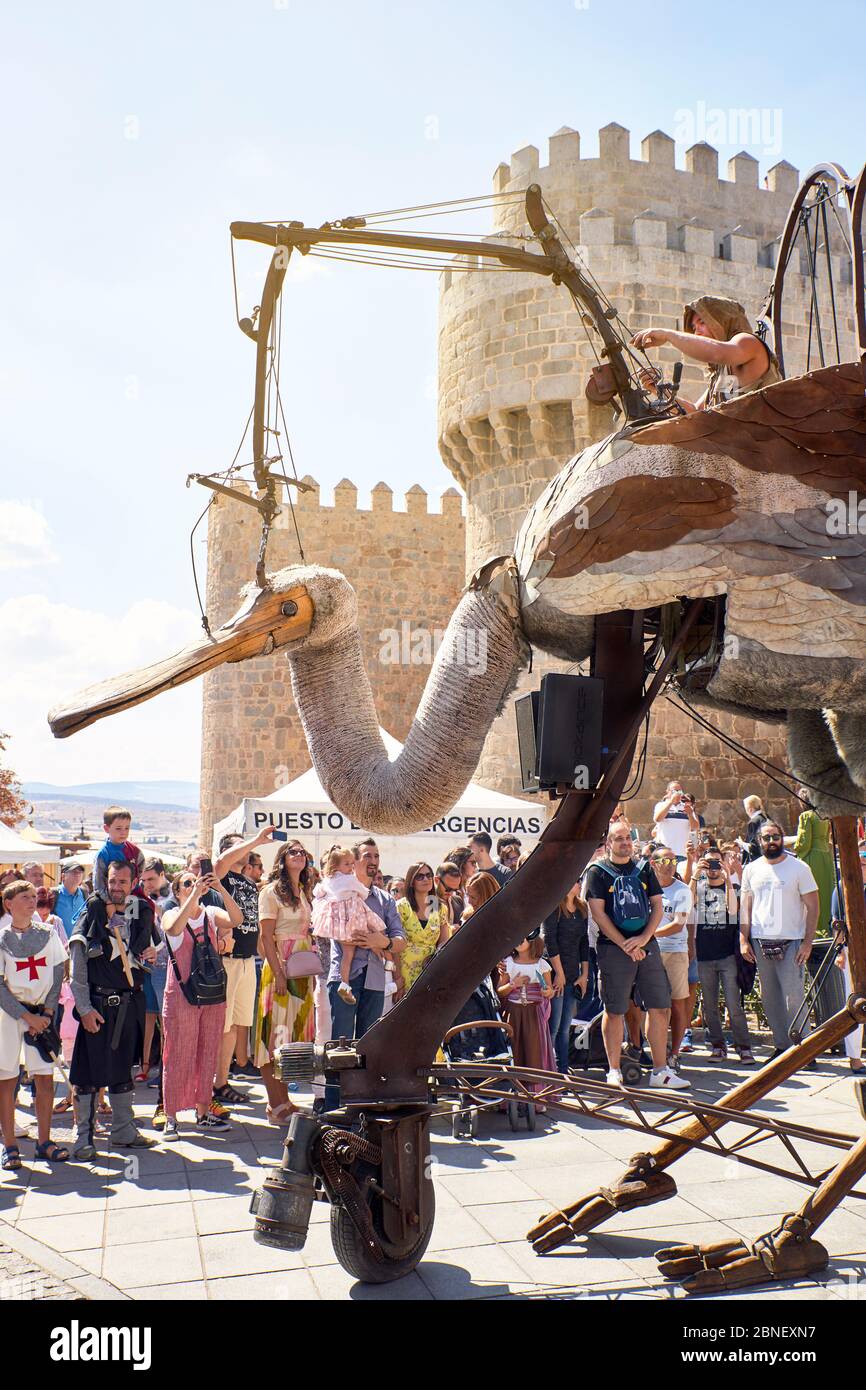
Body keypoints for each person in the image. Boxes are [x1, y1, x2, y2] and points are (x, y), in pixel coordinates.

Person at [584, 822, 689, 1090]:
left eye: (628, 839)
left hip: (647, 945)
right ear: (609, 843)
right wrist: (624, 944)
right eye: (618, 839)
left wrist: (643, 939)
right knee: (615, 1009)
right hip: (612, 947)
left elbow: (656, 905)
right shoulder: (597, 872)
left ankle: (660, 1071)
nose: (625, 843)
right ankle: (614, 1070)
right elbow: (598, 913)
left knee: (660, 1006)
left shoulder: (643, 868)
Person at [68, 860, 159, 1159]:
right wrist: (83, 1008)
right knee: (86, 1074)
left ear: (133, 883)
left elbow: (149, 952)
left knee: (122, 1070)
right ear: (104, 880)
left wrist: (149, 954)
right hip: (97, 1005)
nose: (116, 887)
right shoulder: (93, 910)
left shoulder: (138, 911)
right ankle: (84, 1137)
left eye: (122, 881)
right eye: (112, 881)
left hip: (127, 1005)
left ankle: (122, 1129)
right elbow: (78, 960)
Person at [324, 839, 406, 1109]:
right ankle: (335, 1107)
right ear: (354, 862)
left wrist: (379, 942)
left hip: (374, 980)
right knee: (340, 1045)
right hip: (345, 977)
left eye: (377, 856)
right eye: (367, 856)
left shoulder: (385, 899)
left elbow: (400, 941)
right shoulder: (340, 892)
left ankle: (362, 1104)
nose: (373, 861)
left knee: (367, 1045)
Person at [160, 869, 240, 1139]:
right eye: (187, 883)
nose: (194, 885)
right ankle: (170, 1117)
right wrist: (194, 896)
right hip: (182, 995)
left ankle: (203, 1113)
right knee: (178, 1053)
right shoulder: (171, 913)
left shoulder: (210, 913)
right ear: (178, 891)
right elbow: (172, 928)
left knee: (208, 1052)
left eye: (196, 881)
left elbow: (237, 919)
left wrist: (220, 888)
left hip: (211, 994)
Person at [0, 880, 69, 1170]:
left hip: (42, 1014)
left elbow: (57, 973)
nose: (32, 901)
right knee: (6, 1080)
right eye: (25, 897)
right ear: (9, 904)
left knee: (43, 1079)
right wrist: (26, 1017)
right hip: (10, 1016)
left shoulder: (48, 934)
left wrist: (48, 1013)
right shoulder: (1, 938)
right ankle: (10, 1146)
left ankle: (44, 1142)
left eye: (33, 897)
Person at [739, 821, 819, 1059]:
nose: (771, 841)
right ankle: (782, 1047)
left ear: (782, 838)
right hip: (760, 942)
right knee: (770, 998)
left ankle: (804, 1051)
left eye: (775, 836)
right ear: (759, 841)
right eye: (766, 837)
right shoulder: (751, 869)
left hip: (792, 941)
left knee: (794, 998)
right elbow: (745, 908)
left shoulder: (799, 868)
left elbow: (813, 907)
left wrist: (807, 942)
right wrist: (743, 940)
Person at [254, 840, 319, 1124]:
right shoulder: (270, 893)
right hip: (280, 968)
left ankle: (285, 1101)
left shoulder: (303, 892)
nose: (299, 855)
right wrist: (279, 972)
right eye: (292, 851)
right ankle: (274, 1104)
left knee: (291, 1040)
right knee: (274, 1038)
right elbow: (266, 938)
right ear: (281, 859)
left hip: (301, 971)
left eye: (302, 852)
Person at [631, 295, 781, 412]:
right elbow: (695, 413)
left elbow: (718, 352)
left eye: (702, 322)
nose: (697, 331)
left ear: (722, 321)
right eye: (694, 326)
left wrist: (668, 335)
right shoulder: (724, 373)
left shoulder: (747, 342)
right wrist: (658, 390)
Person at [211, 828, 274, 1103]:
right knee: (222, 1026)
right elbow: (222, 860)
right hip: (226, 961)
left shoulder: (248, 883)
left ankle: (221, 1082)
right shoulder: (219, 875)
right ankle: (213, 1083)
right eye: (240, 845)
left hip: (248, 961)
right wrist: (257, 840)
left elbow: (257, 929)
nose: (246, 849)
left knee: (236, 1025)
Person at [689, 851, 755, 1064]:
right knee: (709, 1005)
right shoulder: (698, 888)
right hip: (705, 955)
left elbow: (733, 911)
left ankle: (743, 1047)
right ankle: (718, 1046)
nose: (713, 867)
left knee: (734, 1004)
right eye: (709, 863)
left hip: (727, 956)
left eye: (717, 861)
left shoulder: (733, 889)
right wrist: (694, 873)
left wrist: (727, 878)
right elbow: (687, 903)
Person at [312, 845, 384, 1005]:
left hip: (337, 924)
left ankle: (344, 983)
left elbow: (317, 893)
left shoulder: (328, 880)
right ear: (335, 865)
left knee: (347, 955)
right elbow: (364, 892)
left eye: (352, 863)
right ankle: (385, 958)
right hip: (353, 917)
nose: (351, 867)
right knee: (373, 928)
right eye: (347, 864)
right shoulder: (350, 879)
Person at [649, 848, 694, 1067]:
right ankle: (653, 1051)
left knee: (677, 1004)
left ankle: (674, 1053)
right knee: (653, 1005)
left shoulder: (683, 890)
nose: (670, 864)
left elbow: (678, 924)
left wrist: (647, 935)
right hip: (650, 952)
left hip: (675, 951)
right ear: (653, 863)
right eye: (665, 860)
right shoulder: (645, 887)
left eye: (674, 860)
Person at [497, 935, 556, 1098]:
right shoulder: (508, 962)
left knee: (534, 1050)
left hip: (534, 1013)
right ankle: (514, 1095)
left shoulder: (541, 964)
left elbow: (550, 990)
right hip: (513, 1013)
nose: (518, 940)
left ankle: (537, 1096)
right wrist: (512, 984)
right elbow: (499, 991)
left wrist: (547, 991)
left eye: (523, 937)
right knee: (515, 1049)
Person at [542, 883, 589, 1073]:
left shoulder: (581, 907)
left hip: (573, 973)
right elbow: (549, 941)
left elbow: (584, 941)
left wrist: (584, 974)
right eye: (574, 880)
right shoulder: (554, 907)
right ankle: (549, 1069)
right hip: (555, 973)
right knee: (553, 1026)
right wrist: (559, 973)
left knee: (565, 1027)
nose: (577, 884)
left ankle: (562, 1068)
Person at [830, 849, 866, 1074]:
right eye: (859, 859)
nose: (862, 864)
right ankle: (854, 1057)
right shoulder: (841, 888)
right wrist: (839, 952)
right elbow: (836, 922)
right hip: (853, 952)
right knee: (854, 1002)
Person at [136, 859, 171, 1086]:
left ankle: (165, 1069)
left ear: (162, 874)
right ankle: (144, 1065)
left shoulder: (172, 897)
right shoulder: (140, 899)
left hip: (165, 966)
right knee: (148, 1016)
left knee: (164, 1019)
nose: (147, 883)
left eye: (151, 879)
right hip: (145, 966)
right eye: (144, 880)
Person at [395, 862, 450, 997]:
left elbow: (444, 941)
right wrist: (398, 980)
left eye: (428, 875)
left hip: (431, 970)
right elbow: (394, 947)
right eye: (420, 876)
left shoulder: (439, 907)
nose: (426, 879)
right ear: (411, 882)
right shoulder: (401, 906)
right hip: (405, 970)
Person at [789, 789, 835, 936]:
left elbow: (804, 843)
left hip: (811, 858)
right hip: (825, 857)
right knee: (826, 892)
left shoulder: (806, 816)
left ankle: (815, 931)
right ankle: (828, 929)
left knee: (810, 894)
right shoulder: (824, 816)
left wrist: (792, 847)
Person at [93, 807, 145, 898]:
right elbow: (98, 884)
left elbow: (141, 870)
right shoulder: (103, 854)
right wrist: (108, 902)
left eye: (126, 828)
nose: (123, 832)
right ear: (106, 828)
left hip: (132, 897)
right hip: (108, 899)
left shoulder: (135, 851)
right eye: (118, 828)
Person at [652, 782, 701, 863]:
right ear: (668, 792)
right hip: (664, 853)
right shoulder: (661, 805)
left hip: (682, 853)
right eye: (674, 791)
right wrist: (670, 802)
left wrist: (690, 814)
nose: (677, 794)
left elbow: (695, 828)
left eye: (679, 791)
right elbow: (658, 819)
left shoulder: (687, 806)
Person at [53, 861, 88, 937]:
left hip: (79, 945)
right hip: (59, 945)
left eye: (80, 872)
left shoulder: (84, 893)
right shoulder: (53, 894)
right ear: (63, 876)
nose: (78, 874)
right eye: (74, 872)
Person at [741, 795, 769, 864]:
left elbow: (754, 848)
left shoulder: (753, 822)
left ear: (750, 809)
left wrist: (742, 844)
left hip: (758, 861)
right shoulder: (766, 818)